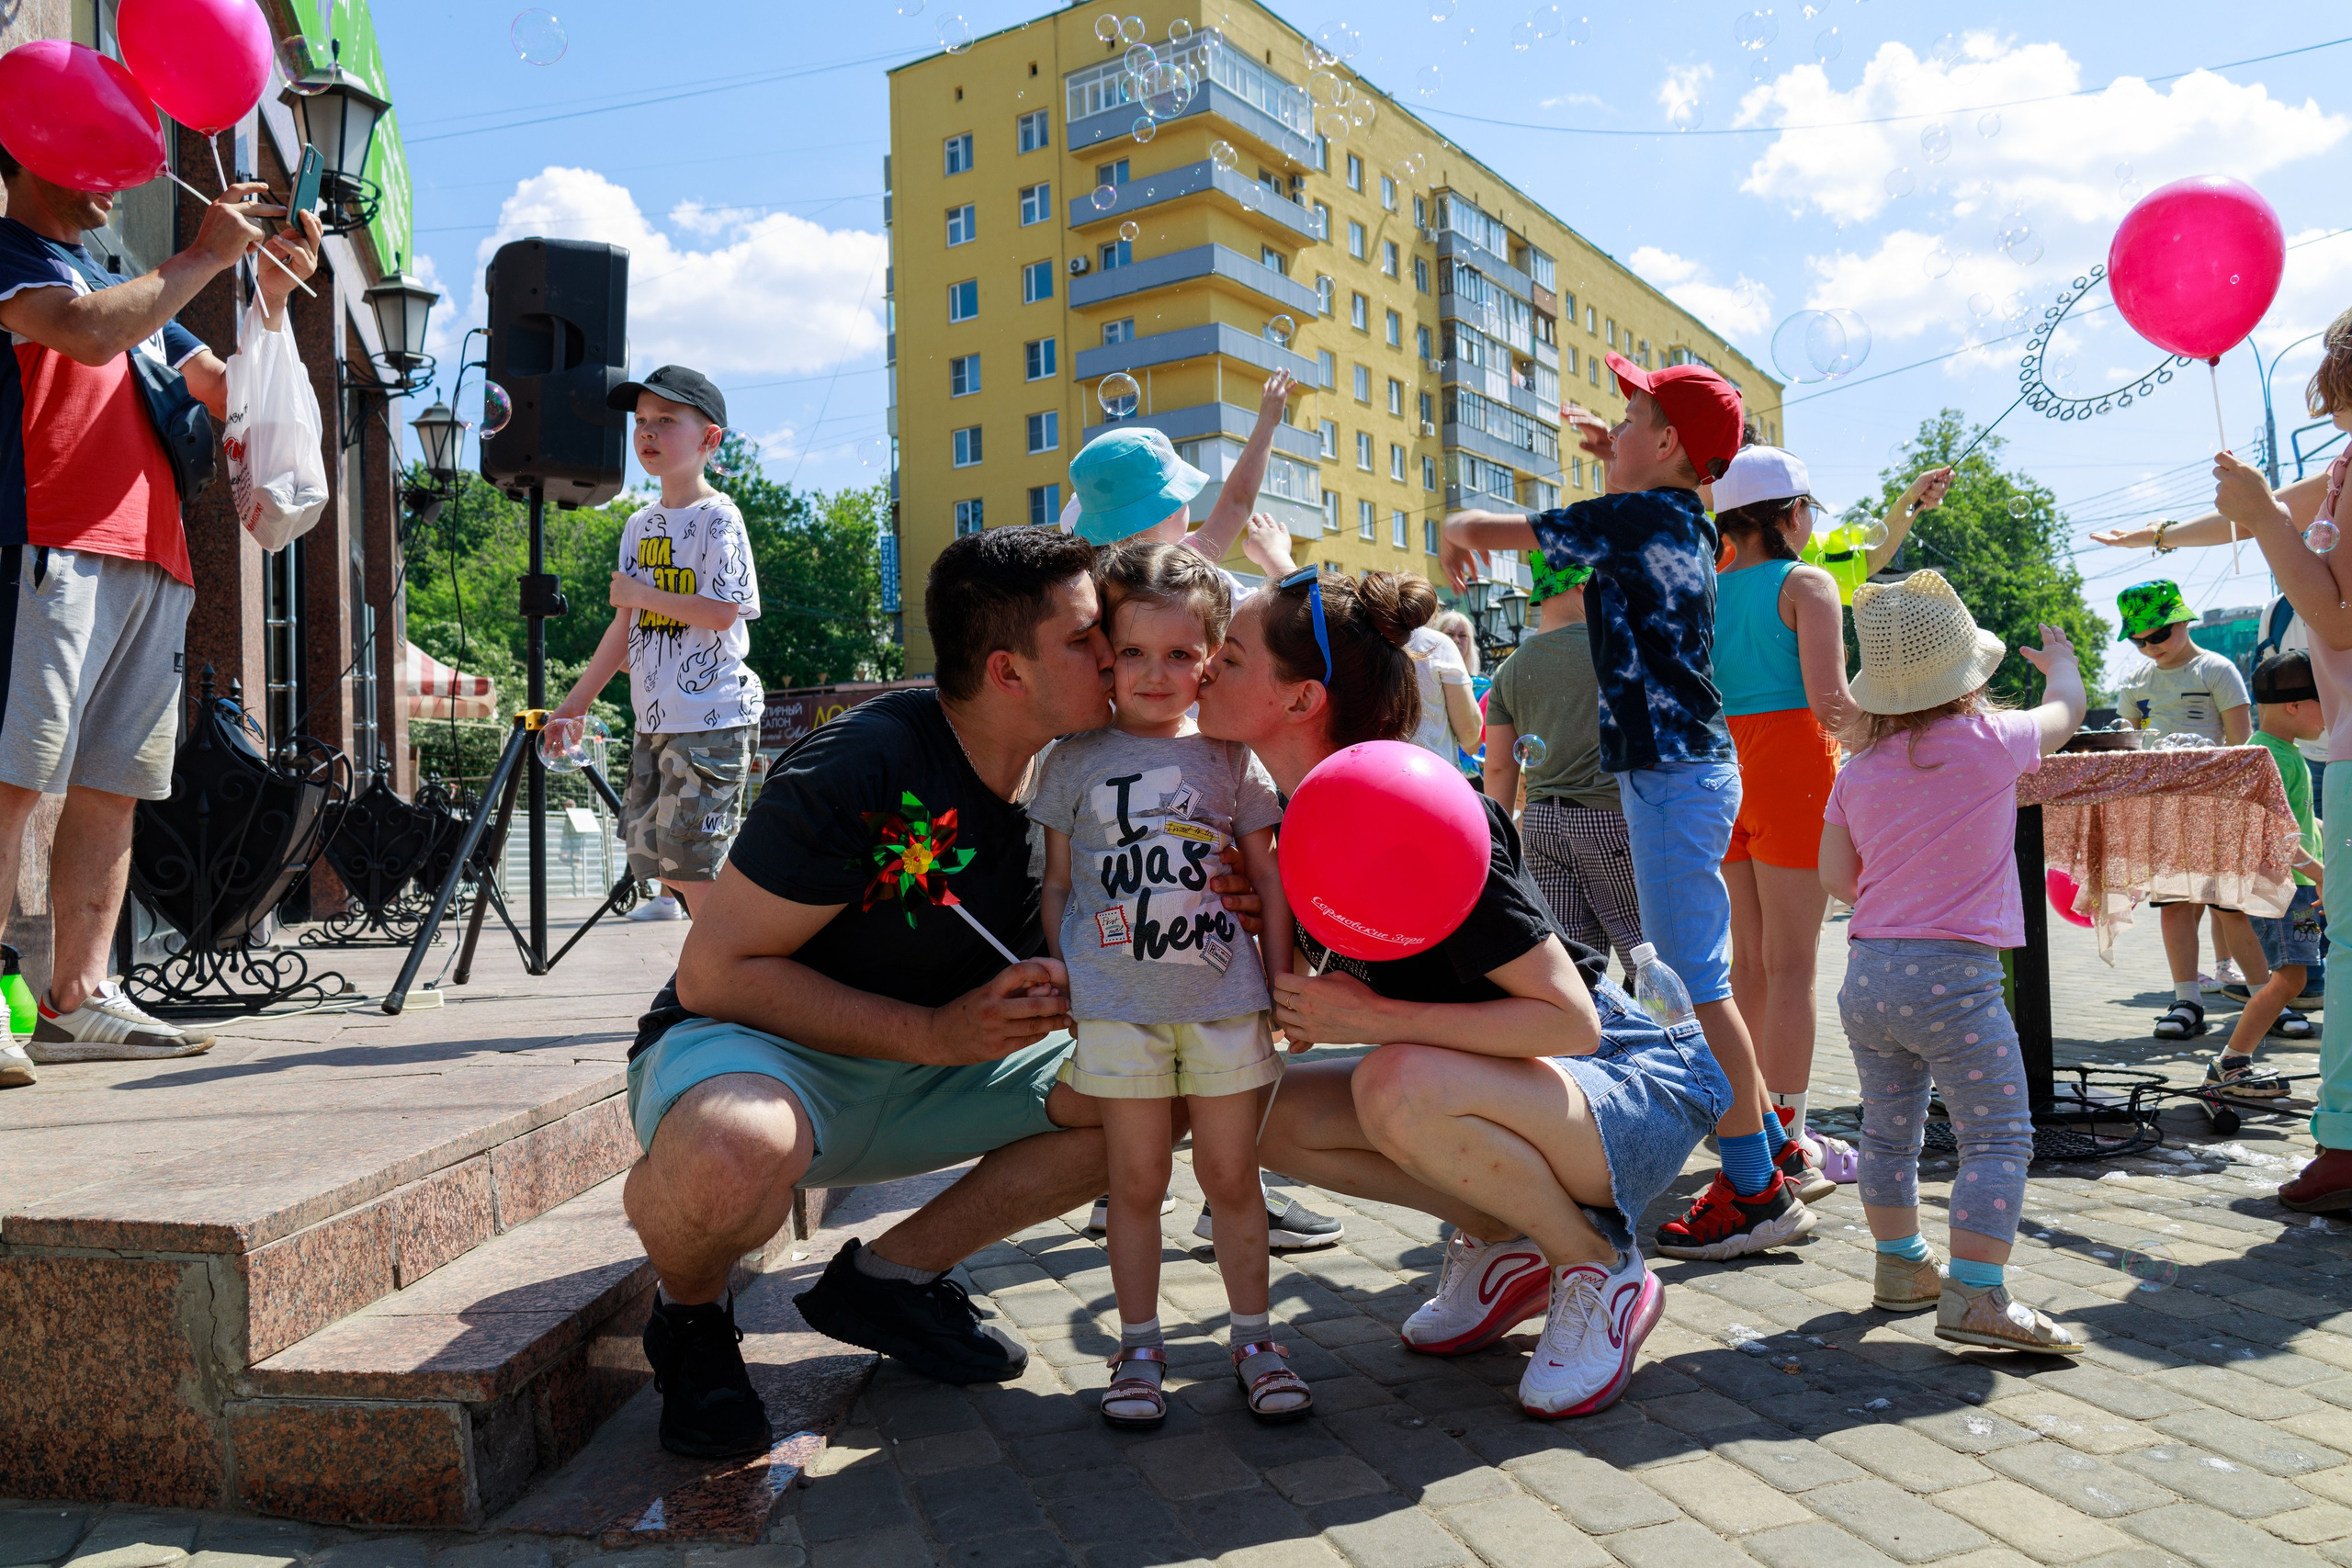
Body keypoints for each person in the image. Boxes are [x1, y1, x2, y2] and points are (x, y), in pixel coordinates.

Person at [619, 526, 1273, 1458]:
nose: (1120, 653)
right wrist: (930, 1031)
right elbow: (715, 973)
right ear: (1008, 672)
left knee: (1149, 1085)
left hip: (946, 1064)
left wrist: (1229, 899)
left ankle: (888, 1280)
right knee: (733, 1147)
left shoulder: (1074, 766)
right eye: (1093, 638)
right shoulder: (863, 762)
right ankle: (687, 1321)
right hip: (770, 1054)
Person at [1198, 567, 1732, 1418]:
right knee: (1246, 1116)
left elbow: (1570, 1020)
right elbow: (1302, 1022)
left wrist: (1370, 1019)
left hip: (1633, 1086)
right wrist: (1259, 909)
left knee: (1394, 1080)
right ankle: (1501, 1237)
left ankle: (1598, 1264)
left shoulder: (1418, 812)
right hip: (1528, 1095)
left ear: (1300, 701)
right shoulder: (1294, 814)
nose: (1200, 674)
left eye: (1227, 657)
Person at [1439, 355, 1804, 1265]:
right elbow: (1625, 509)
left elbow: (1505, 527)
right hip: (1676, 771)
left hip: (1673, 773)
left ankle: (1757, 1188)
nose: (1612, 429)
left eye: (1629, 416)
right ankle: (1770, 1148)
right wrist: (1626, 455)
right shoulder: (1676, 513)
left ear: (1671, 442)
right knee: (1686, 978)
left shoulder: (1643, 514)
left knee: (1691, 984)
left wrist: (1456, 521)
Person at [0, 143, 321, 1089]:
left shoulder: (123, 284)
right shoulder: (13, 253)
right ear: (29, 160)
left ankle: (79, 995)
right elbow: (83, 334)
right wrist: (202, 259)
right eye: (91, 156)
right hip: (46, 541)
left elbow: (223, 388)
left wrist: (266, 298)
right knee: (14, 776)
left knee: (111, 786)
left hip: (156, 560)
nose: (115, 179)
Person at [1031, 541, 1305, 1428]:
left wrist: (1282, 983)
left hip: (1227, 1007)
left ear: (1213, 659)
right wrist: (1066, 980)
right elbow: (1059, 884)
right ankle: (1138, 1346)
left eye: (1182, 654)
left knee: (1232, 1176)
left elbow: (1268, 881)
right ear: (1107, 653)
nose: (1157, 673)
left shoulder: (1230, 759)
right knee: (1137, 1178)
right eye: (1136, 652)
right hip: (1116, 1011)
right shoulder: (1069, 761)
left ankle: (1256, 1338)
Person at [2093, 305, 2352, 1211]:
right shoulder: (2343, 470)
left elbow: (2333, 612)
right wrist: (2154, 540)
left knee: (2324, 945)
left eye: (2330, 363)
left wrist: (2259, 519)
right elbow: (2256, 520)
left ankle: (2329, 1132)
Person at [1819, 570, 2084, 1353]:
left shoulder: (1855, 770)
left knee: (1889, 1133)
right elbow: (2065, 714)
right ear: (1967, 673)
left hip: (1868, 979)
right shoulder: (1992, 743)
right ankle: (1974, 1292)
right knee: (1998, 1133)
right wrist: (2063, 662)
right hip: (1955, 984)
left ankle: (1902, 1267)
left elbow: (1838, 878)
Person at [548, 367, 761, 919]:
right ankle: (699, 947)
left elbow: (721, 612)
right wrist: (575, 703)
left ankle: (728, 975)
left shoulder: (720, 519)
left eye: (666, 420)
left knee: (696, 860)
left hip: (711, 715)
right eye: (641, 421)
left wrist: (643, 592)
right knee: (657, 851)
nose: (647, 432)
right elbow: (623, 626)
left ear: (710, 439)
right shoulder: (639, 525)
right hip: (657, 719)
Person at [1708, 445, 1854, 1200]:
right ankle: (1788, 1139)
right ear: (1794, 513)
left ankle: (1747, 1122)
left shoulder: (1703, 587)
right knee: (1795, 964)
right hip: (1794, 763)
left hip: (1720, 768)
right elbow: (1831, 702)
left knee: (1747, 961)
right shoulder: (1807, 582)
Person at [1481, 556, 1643, 980]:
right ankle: (1665, 1043)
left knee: (1574, 965)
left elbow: (1498, 769)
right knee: (1646, 957)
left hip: (1541, 825)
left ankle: (1585, 1044)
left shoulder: (1509, 669)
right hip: (1609, 819)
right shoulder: (1613, 649)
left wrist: (1498, 847)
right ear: (1584, 583)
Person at [2113, 579, 2257, 1037]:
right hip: (2163, 808)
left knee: (2229, 907)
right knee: (2175, 905)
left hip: (2215, 806)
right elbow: (2127, 744)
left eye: (2158, 634)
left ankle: (2266, 997)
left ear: (2184, 620)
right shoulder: (2136, 681)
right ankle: (2186, 1000)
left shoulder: (2216, 669)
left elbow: (2243, 745)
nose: (2150, 646)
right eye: (2138, 640)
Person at [2211, 651, 2326, 1089]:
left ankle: (2234, 1059)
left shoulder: (2283, 753)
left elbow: (2298, 820)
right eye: (2324, 701)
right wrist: (2318, 872)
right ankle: (2231, 1062)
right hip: (2283, 888)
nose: (2331, 713)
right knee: (2289, 979)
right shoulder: (2266, 758)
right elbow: (2270, 836)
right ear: (2293, 705)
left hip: (2293, 886)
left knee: (2291, 979)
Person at [1405, 592, 1483, 769]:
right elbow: (1470, 732)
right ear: (1439, 635)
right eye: (1450, 634)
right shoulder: (1437, 649)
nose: (1456, 640)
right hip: (1437, 767)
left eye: (1462, 635)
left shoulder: (1483, 681)